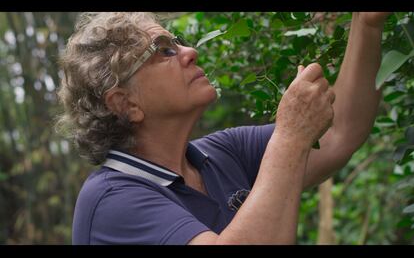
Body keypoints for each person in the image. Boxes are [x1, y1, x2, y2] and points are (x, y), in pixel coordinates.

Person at [56, 12, 389, 244]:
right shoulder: (112, 201)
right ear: (126, 103)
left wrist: (367, 24)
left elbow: (339, 133)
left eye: (177, 42)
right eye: (163, 52)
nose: (190, 52)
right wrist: (291, 135)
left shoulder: (220, 153)